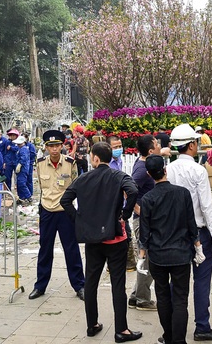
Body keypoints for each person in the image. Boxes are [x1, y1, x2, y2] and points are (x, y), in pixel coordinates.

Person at [60, 142, 142, 342]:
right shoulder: (119, 176)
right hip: (116, 238)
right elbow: (133, 191)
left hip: (93, 240)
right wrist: (125, 213)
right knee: (117, 284)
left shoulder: (84, 178)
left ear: (95, 159)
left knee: (91, 282)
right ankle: (121, 330)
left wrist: (79, 219)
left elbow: (65, 200)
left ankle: (92, 325)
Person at [166, 124, 212, 341]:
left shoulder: (169, 169)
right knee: (201, 281)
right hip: (199, 233)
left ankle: (173, 329)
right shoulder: (198, 171)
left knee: (177, 283)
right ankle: (202, 326)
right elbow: (207, 206)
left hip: (175, 235)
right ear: (192, 145)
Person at [138, 155, 203, 344]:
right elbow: (192, 224)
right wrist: (198, 247)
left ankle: (168, 336)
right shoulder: (183, 194)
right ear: (165, 170)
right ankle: (179, 340)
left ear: (150, 174)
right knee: (181, 299)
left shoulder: (148, 199)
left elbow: (145, 231)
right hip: (182, 254)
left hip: (158, 255)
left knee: (163, 296)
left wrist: (142, 256)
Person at [29, 129, 85, 301]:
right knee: (45, 249)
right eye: (50, 146)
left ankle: (79, 285)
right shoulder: (39, 163)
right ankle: (40, 286)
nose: (54, 149)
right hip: (47, 210)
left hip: (65, 212)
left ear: (62, 146)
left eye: (57, 146)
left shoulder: (70, 163)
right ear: (46, 147)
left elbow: (75, 185)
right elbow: (41, 188)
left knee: (71, 249)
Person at [129, 133, 159, 311]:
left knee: (147, 258)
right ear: (150, 150)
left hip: (145, 219)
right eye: (156, 144)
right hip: (142, 222)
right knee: (148, 259)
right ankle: (142, 299)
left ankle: (135, 296)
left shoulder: (145, 163)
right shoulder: (141, 169)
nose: (159, 145)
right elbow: (128, 190)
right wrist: (140, 210)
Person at [13, 135, 33, 205]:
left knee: (22, 184)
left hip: (23, 169)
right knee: (19, 184)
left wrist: (20, 165)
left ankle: (28, 196)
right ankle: (21, 198)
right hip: (21, 169)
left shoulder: (24, 149)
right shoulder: (20, 149)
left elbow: (23, 158)